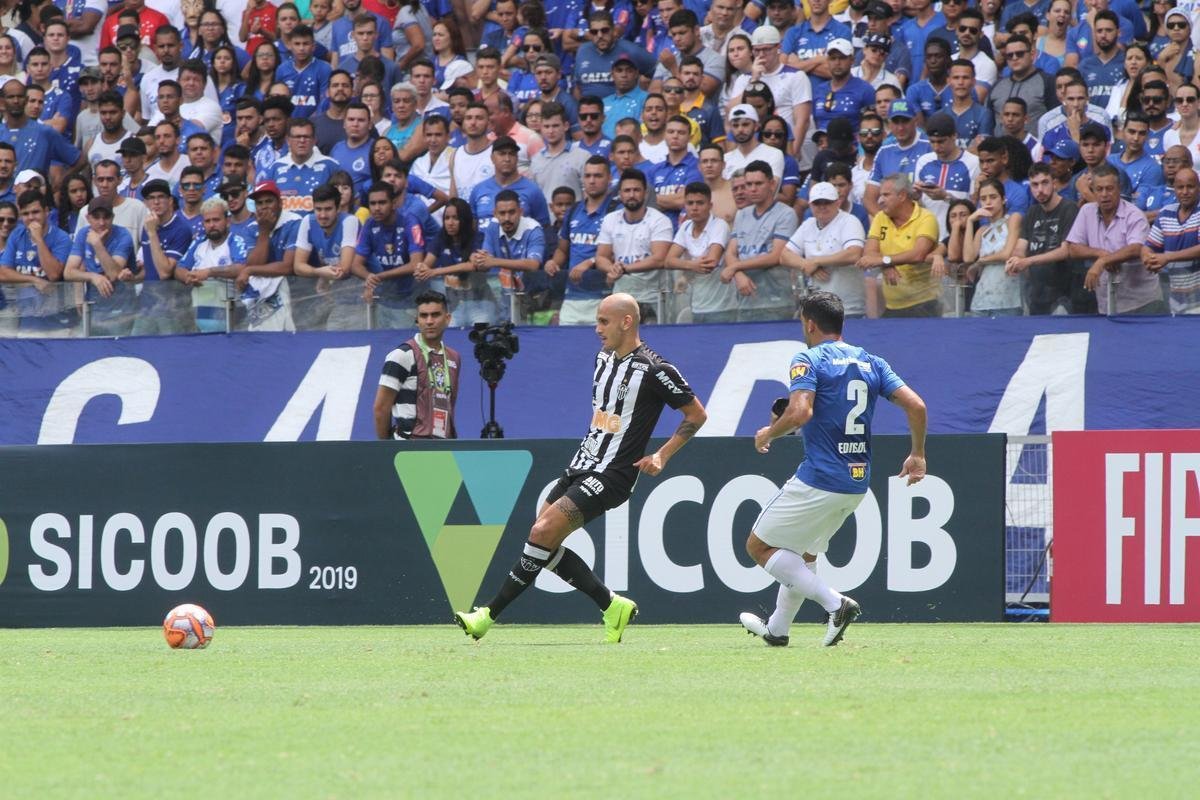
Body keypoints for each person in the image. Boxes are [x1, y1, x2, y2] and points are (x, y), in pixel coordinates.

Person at [454, 291, 708, 643]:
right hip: (582, 463)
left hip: (613, 474)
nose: (596, 329)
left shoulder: (655, 369)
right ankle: (611, 605)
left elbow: (696, 414)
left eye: (603, 321)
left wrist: (662, 455)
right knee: (544, 539)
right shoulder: (603, 358)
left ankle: (486, 615)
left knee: (542, 533)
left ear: (627, 321)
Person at [739, 290, 927, 648]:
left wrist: (769, 433)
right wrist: (917, 454)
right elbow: (916, 406)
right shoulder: (873, 362)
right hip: (856, 483)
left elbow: (800, 412)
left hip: (820, 478)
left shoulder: (808, 359)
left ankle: (834, 604)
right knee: (804, 555)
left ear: (809, 324)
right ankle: (778, 630)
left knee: (759, 546)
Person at [1066, 163, 1165, 315]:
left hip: (1143, 304)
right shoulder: (1087, 211)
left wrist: (1103, 261)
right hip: (1107, 304)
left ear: (1119, 189)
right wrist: (1102, 254)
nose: (1104, 194)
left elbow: (1136, 248)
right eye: (1099, 189)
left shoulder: (1134, 215)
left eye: (1109, 188)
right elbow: (1073, 248)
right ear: (1093, 190)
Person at [373, 289, 460, 440]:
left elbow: (449, 405)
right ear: (417, 320)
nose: (429, 321)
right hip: (409, 448)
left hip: (443, 448)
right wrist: (385, 451)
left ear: (447, 318)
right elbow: (381, 408)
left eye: (435, 315)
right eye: (424, 315)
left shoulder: (453, 357)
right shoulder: (401, 355)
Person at [857, 173, 941, 317]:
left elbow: (918, 254)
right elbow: (869, 254)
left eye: (886, 195)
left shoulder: (926, 218)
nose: (880, 200)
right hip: (893, 305)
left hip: (925, 304)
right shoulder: (880, 217)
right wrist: (887, 264)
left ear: (902, 196)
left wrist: (884, 260)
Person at [594, 168, 673, 322]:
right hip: (621, 299)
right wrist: (612, 269)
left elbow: (659, 259)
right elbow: (601, 257)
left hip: (652, 299)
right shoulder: (610, 220)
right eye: (627, 190)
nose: (631, 194)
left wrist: (625, 269)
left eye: (636, 190)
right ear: (620, 194)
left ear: (645, 193)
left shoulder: (660, 220)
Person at [723, 160, 797, 321]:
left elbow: (776, 256)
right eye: (749, 184)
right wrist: (739, 274)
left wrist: (735, 267)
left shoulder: (786, 214)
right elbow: (730, 252)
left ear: (771, 184)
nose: (753, 189)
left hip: (777, 299)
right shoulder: (742, 214)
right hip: (745, 299)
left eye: (758, 183)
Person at [1005, 163, 1083, 315]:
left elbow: (1065, 251)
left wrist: (1028, 261)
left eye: (1044, 183)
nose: (1040, 190)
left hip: (1065, 292)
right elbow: (1021, 247)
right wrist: (1015, 259)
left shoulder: (1069, 208)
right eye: (1035, 185)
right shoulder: (1032, 212)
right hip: (1037, 293)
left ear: (1054, 183)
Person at [783, 181, 867, 317]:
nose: (822, 207)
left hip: (848, 307)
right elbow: (784, 255)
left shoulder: (849, 221)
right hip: (817, 309)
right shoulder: (808, 224)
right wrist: (806, 264)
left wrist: (816, 262)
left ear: (837, 202)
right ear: (810, 205)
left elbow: (854, 254)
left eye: (827, 202)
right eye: (817, 203)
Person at [63, 196, 138, 336]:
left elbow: (113, 274)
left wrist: (97, 244)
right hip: (94, 308)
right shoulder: (83, 233)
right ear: (88, 217)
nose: (102, 222)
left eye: (106, 217)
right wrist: (93, 277)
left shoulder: (123, 235)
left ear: (113, 217)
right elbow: (68, 272)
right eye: (96, 217)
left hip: (121, 310)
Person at [665, 181, 735, 323]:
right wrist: (693, 265)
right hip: (697, 305)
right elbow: (668, 261)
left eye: (700, 203)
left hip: (723, 307)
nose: (694, 208)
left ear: (710, 205)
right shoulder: (685, 226)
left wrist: (685, 267)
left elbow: (710, 263)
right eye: (690, 203)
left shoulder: (719, 225)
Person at [1143, 166, 1200, 314]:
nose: (1185, 192)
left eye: (1190, 187)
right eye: (1180, 187)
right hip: (1175, 299)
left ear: (1198, 188)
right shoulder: (1166, 213)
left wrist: (1167, 257)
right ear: (1174, 189)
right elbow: (1149, 246)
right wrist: (1148, 258)